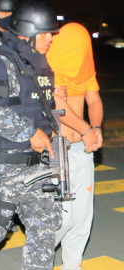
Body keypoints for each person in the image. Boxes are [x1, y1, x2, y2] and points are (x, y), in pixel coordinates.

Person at [0, 1, 99, 269]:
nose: (52, 39)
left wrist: (60, 110)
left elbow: (44, 109)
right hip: (2, 169)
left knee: (46, 227)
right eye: (47, 33)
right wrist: (30, 132)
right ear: (28, 32)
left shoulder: (40, 65)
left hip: (37, 169)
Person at [47, 22, 103, 270]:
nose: (79, 52)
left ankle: (73, 265)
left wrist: (97, 127)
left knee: (81, 217)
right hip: (57, 150)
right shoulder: (47, 71)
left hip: (81, 150)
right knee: (63, 219)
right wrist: (87, 129)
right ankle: (38, 259)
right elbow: (57, 107)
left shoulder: (85, 72)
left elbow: (94, 100)